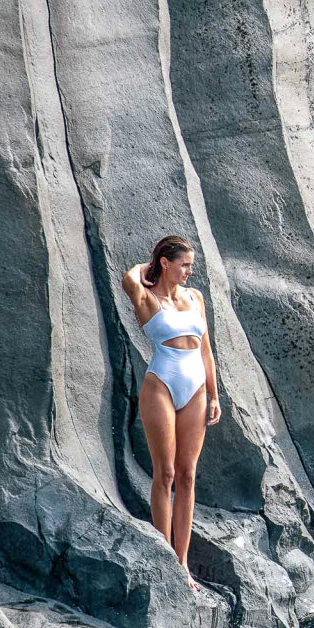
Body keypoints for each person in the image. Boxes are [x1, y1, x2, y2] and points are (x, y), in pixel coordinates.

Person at [120, 235, 221, 571]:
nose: (190, 271)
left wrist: (215, 395)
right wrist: (146, 268)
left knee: (187, 475)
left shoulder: (195, 297)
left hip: (196, 388)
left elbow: (205, 350)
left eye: (191, 265)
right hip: (161, 382)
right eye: (184, 264)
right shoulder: (146, 298)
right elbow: (128, 279)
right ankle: (165, 561)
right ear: (166, 263)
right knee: (164, 473)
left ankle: (183, 562)